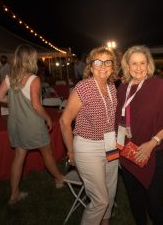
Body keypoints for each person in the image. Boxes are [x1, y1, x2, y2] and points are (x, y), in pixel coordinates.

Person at [0, 44, 64, 205]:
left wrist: (12, 101)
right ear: (31, 59)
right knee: (47, 152)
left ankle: (14, 194)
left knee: (19, 156)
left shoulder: (9, 77)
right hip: (32, 124)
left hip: (16, 124)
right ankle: (59, 178)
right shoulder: (34, 79)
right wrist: (47, 117)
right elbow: (36, 105)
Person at [60, 46, 118, 225]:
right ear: (91, 66)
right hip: (88, 147)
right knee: (100, 200)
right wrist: (70, 152)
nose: (103, 66)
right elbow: (64, 121)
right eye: (98, 62)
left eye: (108, 62)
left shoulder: (111, 86)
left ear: (112, 66)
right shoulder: (83, 87)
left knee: (110, 191)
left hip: (110, 145)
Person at [115, 45, 163, 225]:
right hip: (128, 152)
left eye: (142, 63)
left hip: (151, 151)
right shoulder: (122, 88)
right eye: (134, 64)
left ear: (148, 65)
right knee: (136, 202)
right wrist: (117, 151)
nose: (138, 68)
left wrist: (152, 143)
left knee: (155, 205)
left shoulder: (158, 85)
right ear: (127, 66)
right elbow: (118, 122)